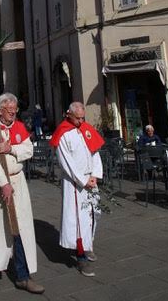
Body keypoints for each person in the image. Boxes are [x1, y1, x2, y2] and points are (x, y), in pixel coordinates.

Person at [0, 93, 44, 294]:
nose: (13, 112)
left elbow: (28, 149)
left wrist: (11, 148)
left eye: (15, 109)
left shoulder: (19, 127)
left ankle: (23, 275)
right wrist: (3, 184)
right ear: (0, 110)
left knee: (19, 227)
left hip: (17, 182)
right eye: (9, 109)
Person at [50, 102, 104, 277]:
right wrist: (82, 180)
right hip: (75, 183)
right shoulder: (63, 133)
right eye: (78, 118)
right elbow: (66, 162)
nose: (81, 121)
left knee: (94, 213)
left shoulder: (86, 129)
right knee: (78, 219)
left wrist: (95, 175)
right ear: (69, 115)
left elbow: (95, 152)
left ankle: (89, 245)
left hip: (91, 179)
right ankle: (81, 257)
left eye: (83, 118)